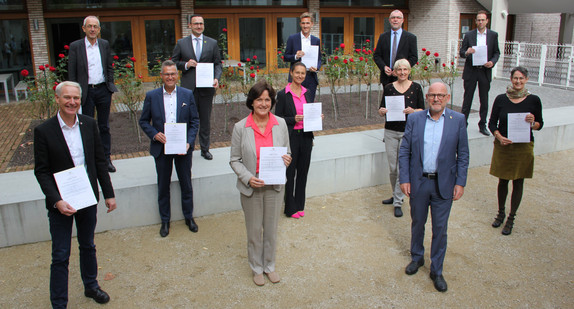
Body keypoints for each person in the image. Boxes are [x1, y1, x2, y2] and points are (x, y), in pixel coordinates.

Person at [34, 81, 117, 308]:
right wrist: (57, 201)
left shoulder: (89, 124)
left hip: (87, 198)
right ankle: (59, 302)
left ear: (81, 100)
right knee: (60, 254)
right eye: (67, 98)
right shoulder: (44, 131)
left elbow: (99, 161)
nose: (72, 102)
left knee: (88, 245)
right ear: (58, 99)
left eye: (76, 98)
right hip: (61, 202)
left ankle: (91, 285)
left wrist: (109, 194)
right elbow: (41, 172)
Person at [399, 82, 469, 292]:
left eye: (441, 95)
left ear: (447, 98)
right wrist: (404, 178)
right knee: (417, 223)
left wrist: (460, 182)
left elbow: (463, 154)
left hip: (444, 185)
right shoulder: (415, 119)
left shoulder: (458, 120)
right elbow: (404, 151)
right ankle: (417, 257)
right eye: (432, 95)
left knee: (440, 229)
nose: (436, 99)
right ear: (427, 97)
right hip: (419, 182)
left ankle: (436, 270)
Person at [229, 80, 292, 286]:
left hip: (274, 186)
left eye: (267, 99)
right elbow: (234, 160)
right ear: (251, 102)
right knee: (254, 230)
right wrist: (248, 178)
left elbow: (287, 152)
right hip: (252, 186)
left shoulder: (280, 124)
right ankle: (256, 268)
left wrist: (287, 159)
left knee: (271, 229)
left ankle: (269, 266)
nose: (264, 104)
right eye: (259, 100)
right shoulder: (241, 127)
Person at [139, 60, 200, 237]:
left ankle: (189, 217)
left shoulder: (187, 95)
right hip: (161, 147)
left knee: (186, 183)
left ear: (177, 75)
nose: (170, 77)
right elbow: (143, 121)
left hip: (183, 148)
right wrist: (154, 134)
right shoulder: (152, 96)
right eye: (167, 74)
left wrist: (189, 142)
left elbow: (195, 121)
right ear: (162, 76)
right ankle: (165, 221)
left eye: (173, 73)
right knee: (163, 185)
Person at [488, 66, 543, 235]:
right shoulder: (501, 99)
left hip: (522, 147)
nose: (518, 81)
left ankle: (511, 218)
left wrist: (533, 123)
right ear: (511, 79)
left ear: (526, 79)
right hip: (504, 146)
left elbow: (539, 125)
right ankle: (501, 213)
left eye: (521, 78)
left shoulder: (533, 100)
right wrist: (498, 136)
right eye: (515, 78)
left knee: (518, 181)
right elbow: (492, 124)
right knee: (502, 181)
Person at [68, 16, 119, 172]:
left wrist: (110, 83)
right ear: (84, 28)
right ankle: (90, 161)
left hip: (103, 90)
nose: (92, 29)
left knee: (104, 126)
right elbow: (72, 72)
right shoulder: (76, 46)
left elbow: (109, 67)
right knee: (86, 126)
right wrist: (74, 94)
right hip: (86, 92)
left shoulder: (104, 44)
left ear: (99, 29)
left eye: (95, 26)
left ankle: (106, 159)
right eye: (89, 26)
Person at [378, 59, 424, 217]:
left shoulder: (416, 88)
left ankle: (398, 201)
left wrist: (414, 111)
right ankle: (395, 194)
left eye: (405, 69)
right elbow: (381, 108)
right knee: (392, 168)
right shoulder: (389, 88)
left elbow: (422, 110)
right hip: (390, 131)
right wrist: (382, 111)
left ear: (409, 70)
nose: (402, 72)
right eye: (399, 70)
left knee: (401, 167)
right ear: (395, 72)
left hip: (408, 132)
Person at [172, 14, 222, 160]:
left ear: (203, 25)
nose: (199, 26)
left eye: (201, 23)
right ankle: (187, 147)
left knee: (205, 120)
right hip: (188, 89)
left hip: (206, 88)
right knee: (186, 119)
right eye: (196, 24)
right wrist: (186, 65)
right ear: (190, 25)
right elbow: (173, 63)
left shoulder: (212, 43)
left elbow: (218, 64)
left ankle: (205, 149)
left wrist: (216, 78)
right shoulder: (182, 43)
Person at [275, 62, 320, 219]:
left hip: (306, 136)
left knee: (303, 172)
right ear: (291, 73)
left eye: (303, 73)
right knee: (290, 172)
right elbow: (277, 119)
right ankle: (290, 207)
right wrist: (293, 119)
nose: (300, 76)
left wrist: (317, 118)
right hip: (291, 137)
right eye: (297, 73)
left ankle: (300, 205)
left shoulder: (307, 93)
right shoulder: (283, 94)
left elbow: (310, 112)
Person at [460, 10, 500, 136]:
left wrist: (492, 62)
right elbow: (461, 52)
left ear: (487, 21)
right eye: (478, 20)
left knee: (484, 99)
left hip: (484, 71)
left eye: (483, 20)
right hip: (471, 71)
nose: (480, 22)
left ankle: (482, 124)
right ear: (476, 21)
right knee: (467, 99)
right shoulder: (469, 35)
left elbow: (497, 53)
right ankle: (462, 124)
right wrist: (467, 52)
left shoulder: (493, 35)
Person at [283, 12, 321, 102]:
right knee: (295, 104)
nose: (305, 26)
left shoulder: (316, 40)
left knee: (309, 104)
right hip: (296, 77)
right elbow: (286, 57)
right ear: (300, 24)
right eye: (303, 23)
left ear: (311, 24)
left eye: (307, 23)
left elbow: (319, 59)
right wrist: (296, 56)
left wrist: (316, 68)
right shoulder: (293, 38)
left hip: (311, 77)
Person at [373, 9, 418, 87]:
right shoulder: (383, 37)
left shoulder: (410, 38)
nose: (395, 20)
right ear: (389, 20)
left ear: (402, 20)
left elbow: (414, 57)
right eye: (393, 18)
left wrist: (400, 70)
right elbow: (377, 56)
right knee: (388, 98)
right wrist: (384, 67)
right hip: (387, 77)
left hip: (402, 77)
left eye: (398, 17)